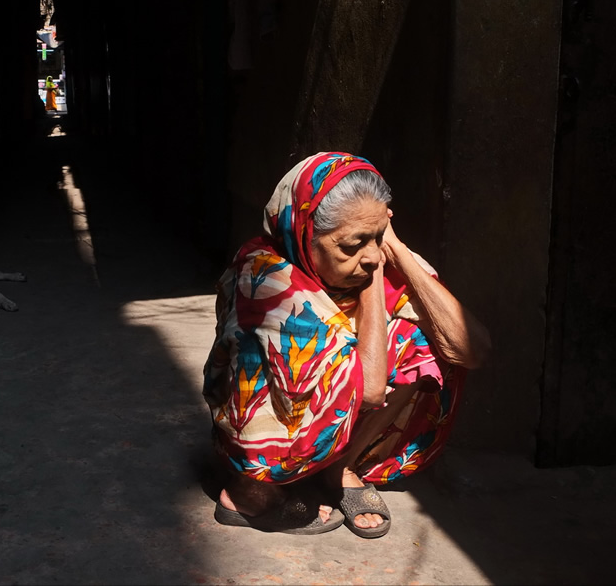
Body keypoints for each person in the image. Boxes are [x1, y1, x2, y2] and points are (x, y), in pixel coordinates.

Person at [203, 151, 491, 538]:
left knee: (427, 338)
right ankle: (250, 496)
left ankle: (339, 466)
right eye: (352, 245)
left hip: (326, 418)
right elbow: (369, 390)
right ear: (306, 234)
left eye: (377, 238)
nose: (372, 256)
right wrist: (373, 279)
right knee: (361, 363)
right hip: (262, 444)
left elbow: (471, 348)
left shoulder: (367, 251)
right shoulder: (269, 279)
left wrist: (398, 252)